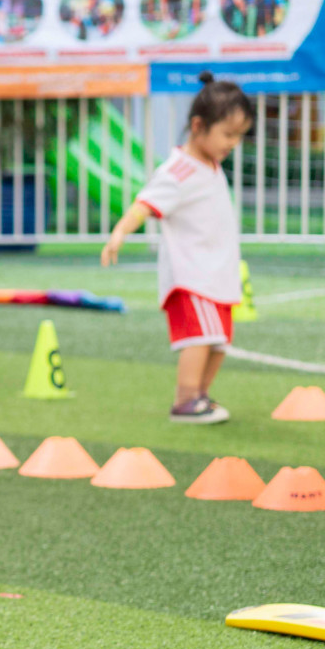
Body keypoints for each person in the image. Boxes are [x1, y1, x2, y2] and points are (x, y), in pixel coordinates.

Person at [101, 75, 254, 425]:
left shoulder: (211, 166)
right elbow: (146, 203)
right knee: (200, 338)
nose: (233, 143)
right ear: (198, 126)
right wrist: (120, 232)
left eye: (239, 136)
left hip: (216, 273)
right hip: (192, 274)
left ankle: (200, 395)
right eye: (228, 134)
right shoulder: (179, 169)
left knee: (218, 342)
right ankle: (185, 400)